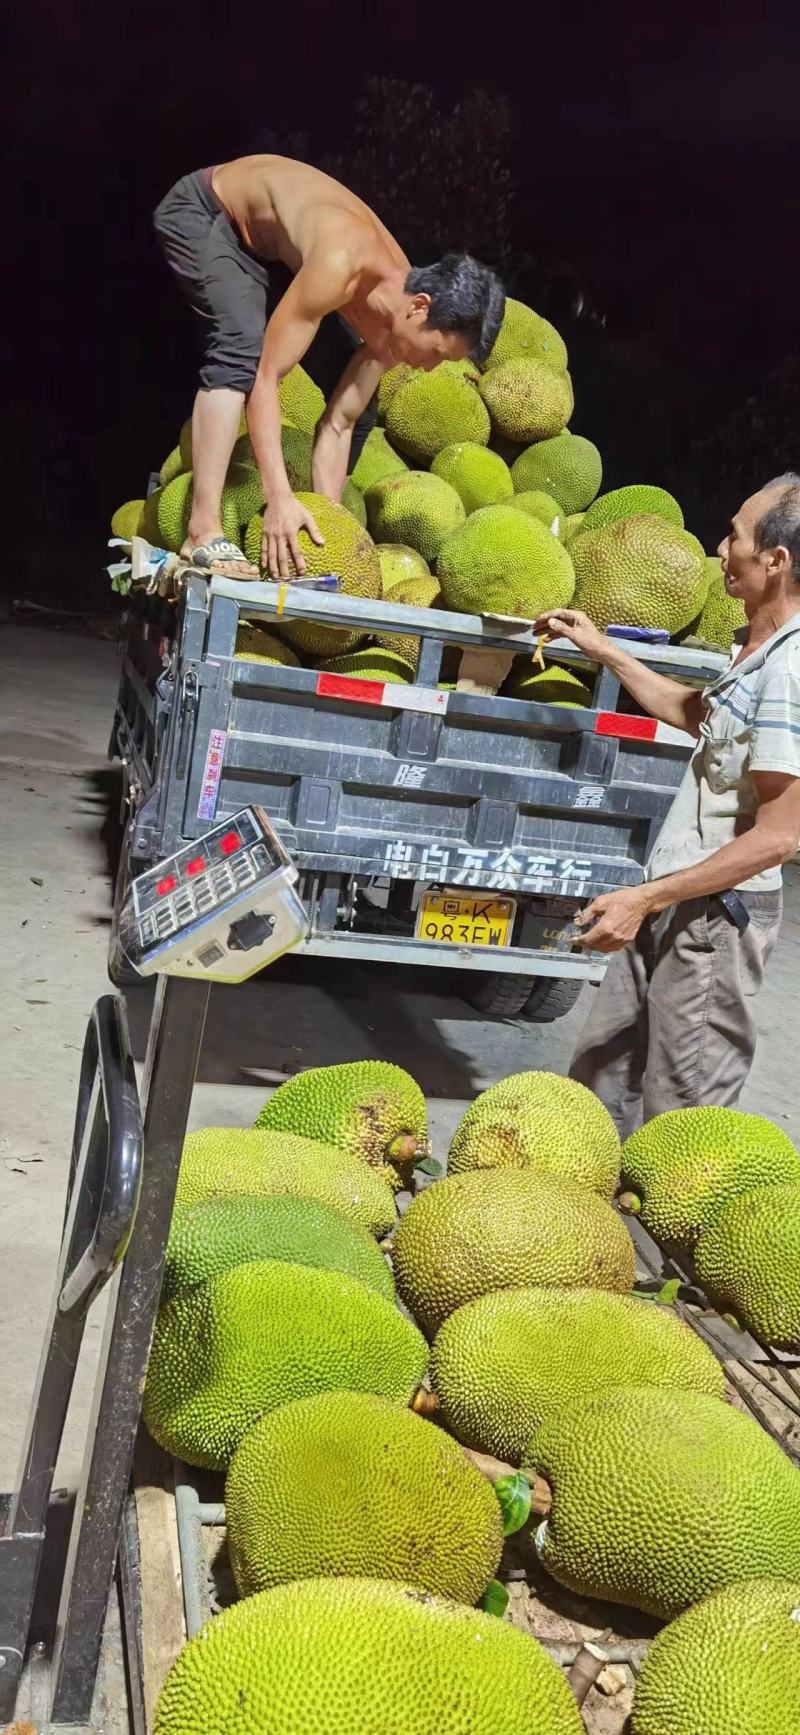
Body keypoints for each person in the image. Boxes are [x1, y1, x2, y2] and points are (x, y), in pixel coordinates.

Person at [536, 474, 800, 1136]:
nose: (721, 548)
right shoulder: (755, 653)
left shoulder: (790, 674)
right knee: (598, 1081)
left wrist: (644, 900)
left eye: (736, 535)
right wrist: (603, 651)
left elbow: (779, 836)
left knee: (680, 1128)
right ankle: (576, 1229)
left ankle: (657, 1246)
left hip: (716, 920)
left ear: (776, 561)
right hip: (678, 895)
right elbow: (698, 716)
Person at [153, 155, 505, 579]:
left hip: (269, 249)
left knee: (361, 405)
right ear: (419, 306)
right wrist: (279, 499)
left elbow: (339, 422)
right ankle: (203, 532)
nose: (429, 368)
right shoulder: (341, 263)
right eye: (436, 353)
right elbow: (266, 379)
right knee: (241, 348)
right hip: (209, 211)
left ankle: (311, 520)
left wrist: (331, 535)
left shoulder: (396, 322)